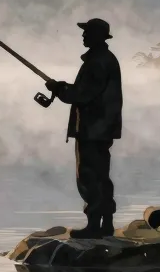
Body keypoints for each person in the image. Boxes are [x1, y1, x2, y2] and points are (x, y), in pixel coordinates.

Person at [45, 18, 122, 239]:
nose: (83, 36)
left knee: (89, 176)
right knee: (101, 175)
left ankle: (94, 227)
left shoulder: (97, 62)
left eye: (86, 33)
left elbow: (82, 94)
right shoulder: (103, 59)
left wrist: (59, 89)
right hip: (101, 128)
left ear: (97, 36)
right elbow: (85, 91)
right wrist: (61, 88)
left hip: (93, 128)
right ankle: (105, 224)